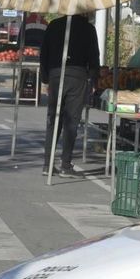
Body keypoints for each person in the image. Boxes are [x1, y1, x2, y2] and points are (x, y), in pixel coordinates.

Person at [42, 13, 100, 178]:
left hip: (55, 74)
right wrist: (93, 80)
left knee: (54, 120)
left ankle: (47, 164)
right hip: (78, 76)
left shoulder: (53, 25)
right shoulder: (88, 29)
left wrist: (45, 79)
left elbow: (44, 53)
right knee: (71, 121)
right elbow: (94, 57)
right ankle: (65, 164)